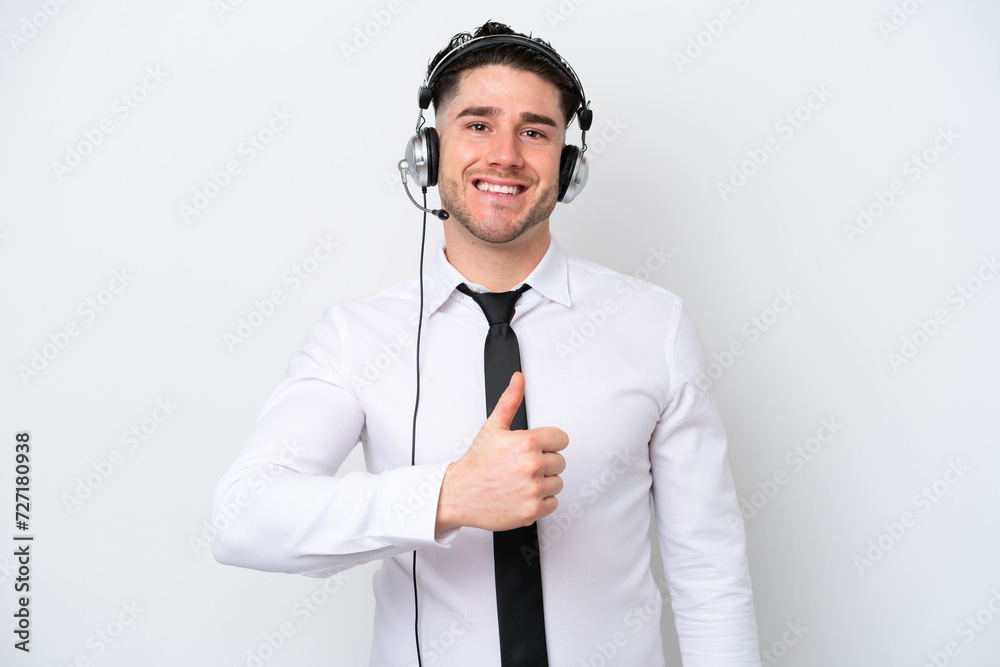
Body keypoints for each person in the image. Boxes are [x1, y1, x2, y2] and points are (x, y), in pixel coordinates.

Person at [213, 20, 760, 666]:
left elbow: (711, 577)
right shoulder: (355, 337)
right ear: (429, 151)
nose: (504, 154)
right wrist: (448, 495)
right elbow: (242, 518)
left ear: (568, 164)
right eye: (477, 124)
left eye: (534, 131)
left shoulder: (655, 327)